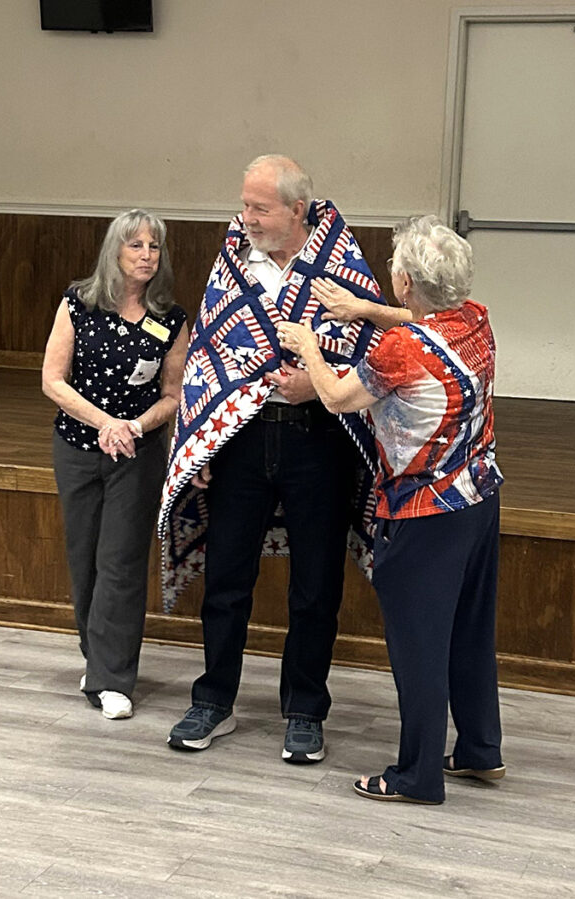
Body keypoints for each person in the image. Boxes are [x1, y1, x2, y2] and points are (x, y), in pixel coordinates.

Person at [159, 155, 386, 762]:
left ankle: (306, 710)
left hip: (319, 439)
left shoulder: (341, 264)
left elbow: (372, 352)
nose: (247, 217)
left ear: (297, 210)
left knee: (316, 585)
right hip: (241, 441)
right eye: (245, 204)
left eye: (261, 207)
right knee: (227, 577)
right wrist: (199, 438)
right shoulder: (232, 258)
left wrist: (318, 383)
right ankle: (213, 701)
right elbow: (207, 351)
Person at [278, 214, 504, 804]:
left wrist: (307, 346)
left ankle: (416, 776)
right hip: (479, 497)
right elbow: (419, 322)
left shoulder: (401, 350)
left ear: (405, 283)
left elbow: (335, 397)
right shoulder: (474, 318)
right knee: (470, 632)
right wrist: (366, 309)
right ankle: (481, 750)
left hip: (424, 512)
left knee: (419, 648)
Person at [42, 209, 188, 720]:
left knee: (121, 563)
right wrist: (105, 422)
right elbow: (53, 381)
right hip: (78, 448)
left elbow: (174, 394)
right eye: (137, 246)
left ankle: (112, 679)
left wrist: (132, 427)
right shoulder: (78, 303)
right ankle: (97, 659)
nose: (147, 255)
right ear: (115, 252)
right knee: (84, 559)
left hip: (137, 453)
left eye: (154, 247)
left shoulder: (170, 317)